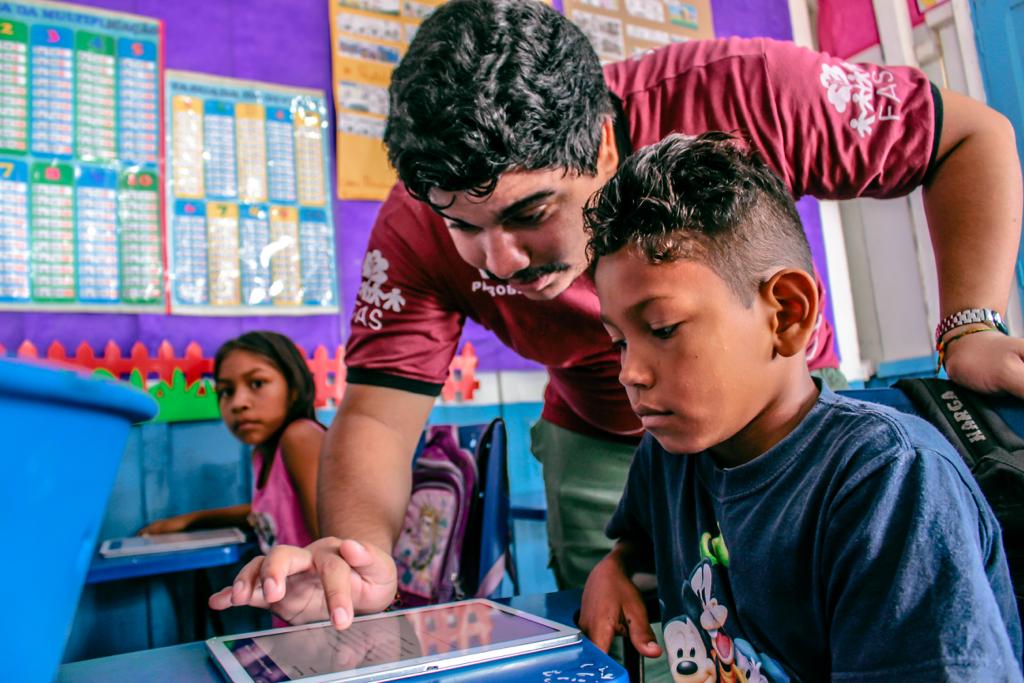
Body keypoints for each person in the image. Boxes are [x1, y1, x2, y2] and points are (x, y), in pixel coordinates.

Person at [209, 0, 1023, 630]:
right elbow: (380, 419)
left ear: (604, 145)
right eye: (465, 225)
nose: (498, 262)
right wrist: (358, 555)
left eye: (530, 212)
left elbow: (969, 139)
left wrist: (971, 326)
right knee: (621, 635)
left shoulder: (747, 94)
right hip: (600, 440)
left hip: (775, 418)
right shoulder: (414, 226)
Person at [578, 132, 1022, 681]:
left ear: (787, 314)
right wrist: (615, 568)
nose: (630, 372)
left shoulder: (889, 482)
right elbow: (640, 543)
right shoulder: (669, 455)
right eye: (620, 341)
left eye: (663, 329)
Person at [143, 331, 324, 557]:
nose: (238, 403)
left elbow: (328, 544)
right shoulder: (262, 453)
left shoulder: (300, 438)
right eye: (226, 391)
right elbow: (270, 511)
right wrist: (191, 520)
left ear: (294, 389)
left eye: (257, 383)